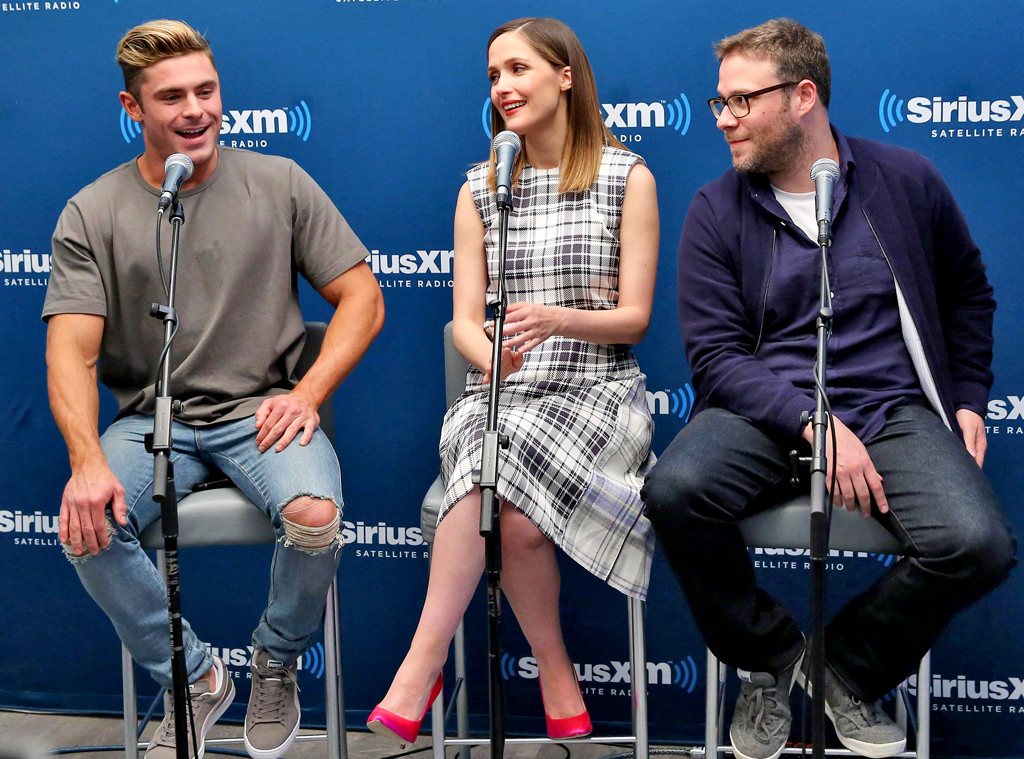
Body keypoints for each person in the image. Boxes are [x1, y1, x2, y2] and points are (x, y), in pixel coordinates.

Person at [641, 17, 1016, 759]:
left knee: (978, 545)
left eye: (741, 102)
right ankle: (770, 661)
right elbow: (714, 356)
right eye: (719, 102)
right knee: (676, 490)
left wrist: (968, 396)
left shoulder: (905, 180)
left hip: (888, 406)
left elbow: (969, 295)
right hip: (763, 408)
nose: (724, 119)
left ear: (803, 96)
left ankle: (841, 666)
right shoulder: (716, 208)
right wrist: (812, 423)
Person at [43, 20, 384, 759]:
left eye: (207, 89)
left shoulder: (280, 181)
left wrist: (308, 390)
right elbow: (69, 351)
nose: (196, 109)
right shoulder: (91, 211)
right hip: (148, 417)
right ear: (133, 109)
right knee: (87, 521)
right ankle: (193, 675)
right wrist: (85, 460)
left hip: (260, 409)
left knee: (315, 515)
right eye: (172, 97)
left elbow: (363, 296)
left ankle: (274, 661)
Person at [366, 16, 659, 745]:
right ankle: (554, 675)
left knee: (503, 464)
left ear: (565, 76)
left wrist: (560, 321)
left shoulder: (628, 178)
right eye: (494, 75)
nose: (503, 87)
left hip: (596, 395)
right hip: (502, 391)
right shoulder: (479, 188)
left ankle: (422, 663)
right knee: (503, 474)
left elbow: (634, 319)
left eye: (519, 69)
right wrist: (487, 355)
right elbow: (465, 320)